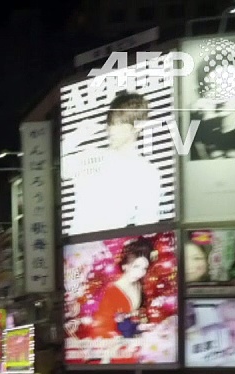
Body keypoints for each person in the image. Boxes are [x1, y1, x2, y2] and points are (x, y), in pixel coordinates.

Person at [63, 91, 162, 236]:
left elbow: (147, 226)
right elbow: (55, 170)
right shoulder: (91, 156)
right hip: (76, 244)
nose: (111, 130)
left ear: (137, 127)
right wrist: (75, 136)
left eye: (119, 124)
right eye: (110, 123)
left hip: (111, 246)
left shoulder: (147, 172)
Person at [91, 237, 155, 339]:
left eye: (144, 268)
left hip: (134, 339)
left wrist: (140, 327)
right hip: (113, 342)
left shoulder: (139, 285)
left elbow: (133, 320)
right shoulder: (112, 291)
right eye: (136, 266)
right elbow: (103, 326)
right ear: (125, 266)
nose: (140, 273)